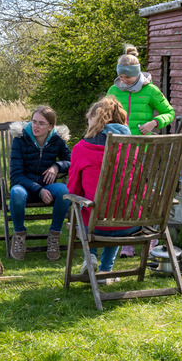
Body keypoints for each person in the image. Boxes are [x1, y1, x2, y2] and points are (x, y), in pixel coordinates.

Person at [107, 44, 174, 257]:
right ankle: (128, 238)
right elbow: (104, 114)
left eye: (127, 77)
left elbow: (169, 112)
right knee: (124, 192)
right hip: (120, 149)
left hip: (145, 150)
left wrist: (154, 123)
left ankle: (150, 236)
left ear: (136, 74)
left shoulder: (150, 90)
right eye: (121, 76)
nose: (123, 80)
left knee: (145, 193)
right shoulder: (113, 90)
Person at [66, 96, 142, 282]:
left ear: (95, 120)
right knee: (116, 208)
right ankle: (106, 271)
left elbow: (73, 189)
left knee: (92, 208)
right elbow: (139, 184)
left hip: (96, 226)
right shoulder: (132, 146)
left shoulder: (81, 148)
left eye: (89, 119)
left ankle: (90, 257)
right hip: (130, 223)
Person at [8, 105, 71, 261]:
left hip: (48, 186)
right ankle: (19, 235)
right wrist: (38, 190)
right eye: (34, 121)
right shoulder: (20, 139)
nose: (36, 126)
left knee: (64, 191)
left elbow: (71, 161)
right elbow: (16, 175)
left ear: (50, 126)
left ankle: (54, 237)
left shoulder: (57, 140)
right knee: (16, 193)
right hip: (24, 187)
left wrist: (57, 166)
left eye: (41, 123)